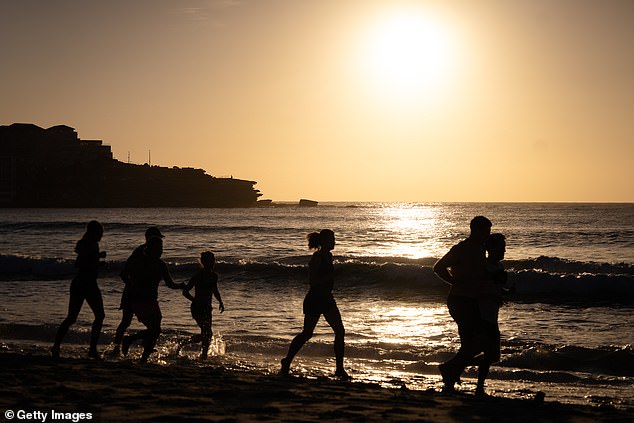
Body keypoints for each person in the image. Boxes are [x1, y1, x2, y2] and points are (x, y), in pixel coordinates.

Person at [433, 216, 492, 392]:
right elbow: (438, 267)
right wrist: (454, 282)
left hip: (472, 302)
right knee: (477, 344)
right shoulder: (461, 249)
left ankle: (451, 373)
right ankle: (449, 368)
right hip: (460, 301)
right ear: (476, 231)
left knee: (471, 345)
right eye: (486, 232)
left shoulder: (482, 249)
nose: (487, 235)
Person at [281, 229, 348, 378]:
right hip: (316, 298)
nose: (334, 242)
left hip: (327, 298)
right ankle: (287, 361)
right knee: (307, 333)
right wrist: (332, 275)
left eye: (334, 239)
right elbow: (313, 281)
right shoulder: (317, 258)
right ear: (324, 241)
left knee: (340, 331)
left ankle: (339, 369)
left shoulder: (329, 256)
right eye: (332, 239)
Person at [122, 236, 186, 362]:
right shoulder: (139, 261)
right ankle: (132, 342)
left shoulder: (161, 264)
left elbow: (169, 283)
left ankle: (140, 352)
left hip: (152, 300)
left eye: (161, 248)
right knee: (155, 329)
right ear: (150, 248)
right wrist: (132, 286)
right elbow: (123, 274)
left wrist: (180, 286)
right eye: (158, 248)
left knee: (155, 330)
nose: (161, 250)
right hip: (138, 299)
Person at [52, 220, 106, 359]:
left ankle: (56, 346)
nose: (101, 235)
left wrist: (97, 259)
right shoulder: (91, 244)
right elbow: (80, 263)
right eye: (100, 232)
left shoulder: (87, 244)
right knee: (98, 316)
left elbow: (83, 262)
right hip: (86, 283)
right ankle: (92, 350)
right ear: (94, 232)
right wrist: (97, 258)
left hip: (81, 283)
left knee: (72, 318)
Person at [113, 226, 164, 356]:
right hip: (133, 293)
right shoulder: (139, 253)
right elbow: (124, 273)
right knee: (126, 321)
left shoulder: (149, 253)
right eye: (157, 238)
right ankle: (117, 347)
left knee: (148, 324)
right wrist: (133, 285)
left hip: (137, 292)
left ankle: (145, 344)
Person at [475, 233, 509, 396]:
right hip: (482, 315)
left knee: (493, 355)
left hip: (492, 315)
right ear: (492, 249)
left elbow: (495, 287)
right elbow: (478, 290)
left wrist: (504, 292)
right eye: (502, 248)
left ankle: (461, 365)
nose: (504, 251)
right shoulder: (484, 267)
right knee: (490, 353)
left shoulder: (499, 267)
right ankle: (479, 386)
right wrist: (493, 296)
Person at [182, 251, 225, 360]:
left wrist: (220, 302)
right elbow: (185, 292)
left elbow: (215, 290)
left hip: (207, 308)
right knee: (207, 333)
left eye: (213, 260)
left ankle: (201, 353)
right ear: (204, 262)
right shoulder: (198, 276)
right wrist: (194, 300)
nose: (213, 262)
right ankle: (200, 353)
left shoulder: (214, 276)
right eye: (211, 260)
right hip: (197, 308)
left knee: (206, 333)